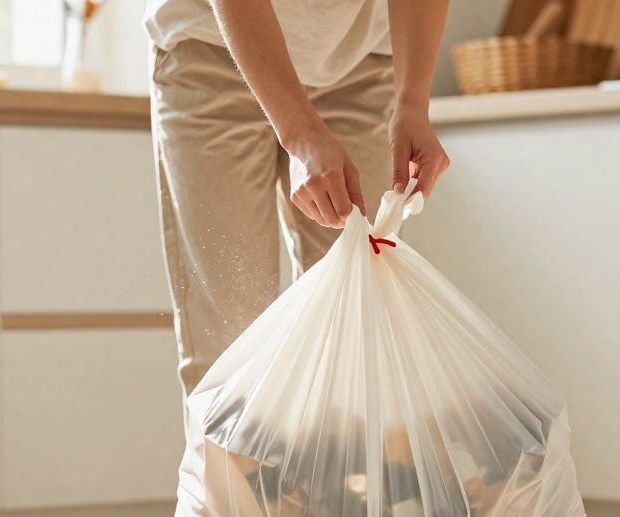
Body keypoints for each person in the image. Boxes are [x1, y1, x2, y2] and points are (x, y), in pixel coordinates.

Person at [146, 0, 451, 394]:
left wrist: (412, 102)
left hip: (356, 61)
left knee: (359, 332)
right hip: (213, 44)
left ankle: (340, 458)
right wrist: (299, 133)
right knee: (232, 344)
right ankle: (231, 457)